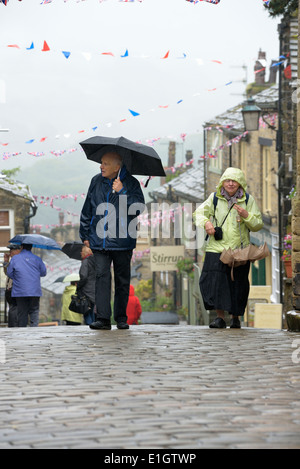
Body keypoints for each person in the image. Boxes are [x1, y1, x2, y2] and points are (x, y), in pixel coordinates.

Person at [80, 150, 145, 330]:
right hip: (99, 240)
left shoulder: (131, 183)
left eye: (106, 164)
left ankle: (121, 318)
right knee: (101, 277)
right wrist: (84, 234)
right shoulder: (96, 181)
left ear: (117, 166)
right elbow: (87, 209)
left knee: (122, 280)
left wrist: (122, 191)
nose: (101, 166)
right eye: (101, 163)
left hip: (123, 240)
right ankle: (102, 318)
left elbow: (138, 209)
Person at [193, 167, 263, 329]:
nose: (230, 184)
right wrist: (207, 223)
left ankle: (235, 317)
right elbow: (198, 213)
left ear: (240, 184)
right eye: (227, 180)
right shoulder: (214, 198)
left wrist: (247, 215)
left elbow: (258, 225)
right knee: (214, 283)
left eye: (234, 181)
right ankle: (219, 318)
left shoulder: (248, 200)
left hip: (239, 251)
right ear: (222, 182)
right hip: (216, 249)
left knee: (238, 283)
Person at [6, 244, 47, 327]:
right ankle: (34, 330)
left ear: (21, 247)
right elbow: (43, 273)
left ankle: (22, 332)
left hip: (20, 290)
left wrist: (18, 278)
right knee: (34, 311)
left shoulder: (15, 259)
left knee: (22, 313)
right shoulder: (37, 259)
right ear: (31, 247)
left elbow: (9, 273)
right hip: (34, 290)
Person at [76, 245, 96, 325]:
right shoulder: (95, 261)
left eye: (82, 251)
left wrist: (79, 285)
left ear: (85, 252)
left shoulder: (85, 262)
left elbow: (83, 276)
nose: (80, 253)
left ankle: (89, 327)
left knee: (87, 312)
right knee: (92, 311)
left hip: (87, 291)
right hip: (94, 291)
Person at [3, 244, 21, 327]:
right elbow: (7, 273)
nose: (10, 252)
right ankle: (13, 325)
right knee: (12, 309)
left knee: (14, 308)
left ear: (19, 250)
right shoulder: (13, 260)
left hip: (15, 288)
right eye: (10, 250)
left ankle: (14, 326)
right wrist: (6, 261)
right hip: (9, 288)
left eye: (12, 250)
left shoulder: (19, 260)